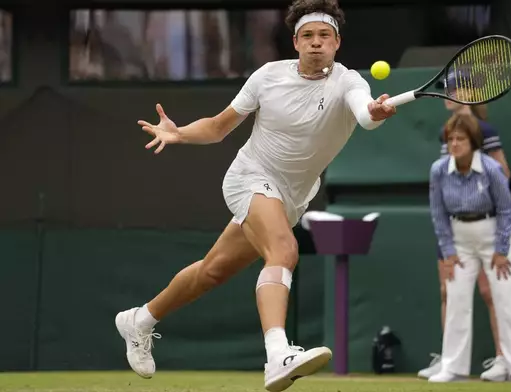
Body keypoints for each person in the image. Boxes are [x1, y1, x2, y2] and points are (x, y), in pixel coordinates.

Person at [114, 1, 397, 391]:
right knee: (284, 251)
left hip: (291, 197)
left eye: (324, 36)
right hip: (250, 177)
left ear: (337, 43)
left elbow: (364, 115)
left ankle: (140, 319)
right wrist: (178, 133)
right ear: (296, 42)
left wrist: (376, 112)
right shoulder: (267, 76)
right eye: (308, 36)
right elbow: (218, 127)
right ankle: (278, 354)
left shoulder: (349, 82)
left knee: (212, 271)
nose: (316, 43)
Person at [426, 113, 511, 384]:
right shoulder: (439, 170)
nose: (454, 144)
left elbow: (506, 209)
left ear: (473, 142)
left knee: (507, 299)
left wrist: (501, 250)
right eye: (450, 139)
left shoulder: (491, 168)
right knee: (456, 299)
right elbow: (438, 213)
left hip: (497, 236)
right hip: (459, 239)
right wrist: (448, 252)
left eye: (460, 139)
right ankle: (452, 367)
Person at [418, 77, 511, 382]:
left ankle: (504, 359)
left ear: (472, 94)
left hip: (484, 226)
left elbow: (503, 174)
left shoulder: (486, 132)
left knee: (489, 291)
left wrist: (481, 204)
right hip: (452, 227)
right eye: (447, 88)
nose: (449, 94)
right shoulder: (446, 132)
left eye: (455, 88)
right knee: (448, 291)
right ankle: (450, 361)